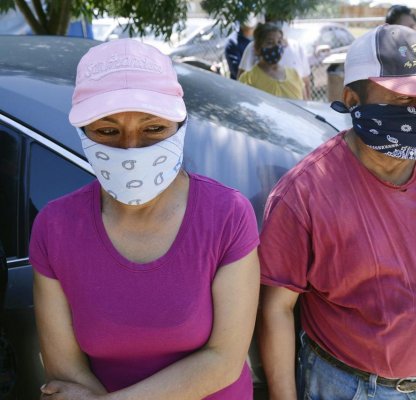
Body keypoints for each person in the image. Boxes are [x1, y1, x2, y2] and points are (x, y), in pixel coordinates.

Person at [258, 25, 416, 400]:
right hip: (348, 388)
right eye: (404, 100)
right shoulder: (304, 192)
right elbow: (277, 308)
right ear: (353, 99)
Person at [30, 39, 260, 400]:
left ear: (180, 125)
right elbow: (63, 368)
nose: (131, 150)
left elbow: (224, 361)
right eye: (108, 132)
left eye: (153, 129)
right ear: (83, 133)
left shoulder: (228, 215)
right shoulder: (55, 228)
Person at [237, 23, 311, 99]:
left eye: (279, 42)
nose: (276, 47)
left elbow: (304, 104)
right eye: (270, 43)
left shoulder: (294, 74)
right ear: (258, 48)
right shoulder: (249, 79)